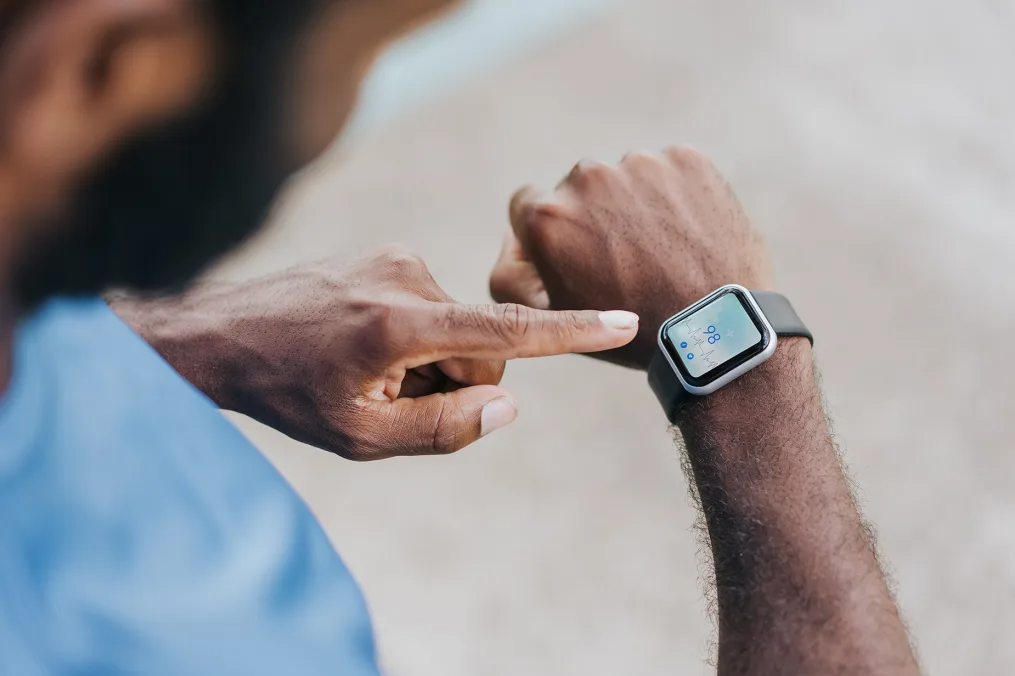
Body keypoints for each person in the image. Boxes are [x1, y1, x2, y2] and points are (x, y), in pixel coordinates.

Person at [0, 3, 920, 676]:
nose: (334, 115)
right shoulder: (189, 641)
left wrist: (166, 346)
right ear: (107, 69)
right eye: (359, 54)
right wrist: (737, 362)